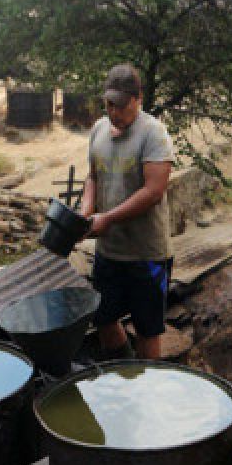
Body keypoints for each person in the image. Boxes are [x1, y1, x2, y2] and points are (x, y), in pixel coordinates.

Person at [79, 63, 175, 360]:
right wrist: (85, 212)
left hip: (147, 255)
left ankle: (147, 390)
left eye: (120, 106)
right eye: (109, 105)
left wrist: (108, 218)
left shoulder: (153, 134)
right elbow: (94, 176)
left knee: (147, 330)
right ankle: (126, 369)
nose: (113, 112)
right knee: (103, 319)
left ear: (138, 99)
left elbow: (153, 191)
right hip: (109, 252)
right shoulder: (98, 129)